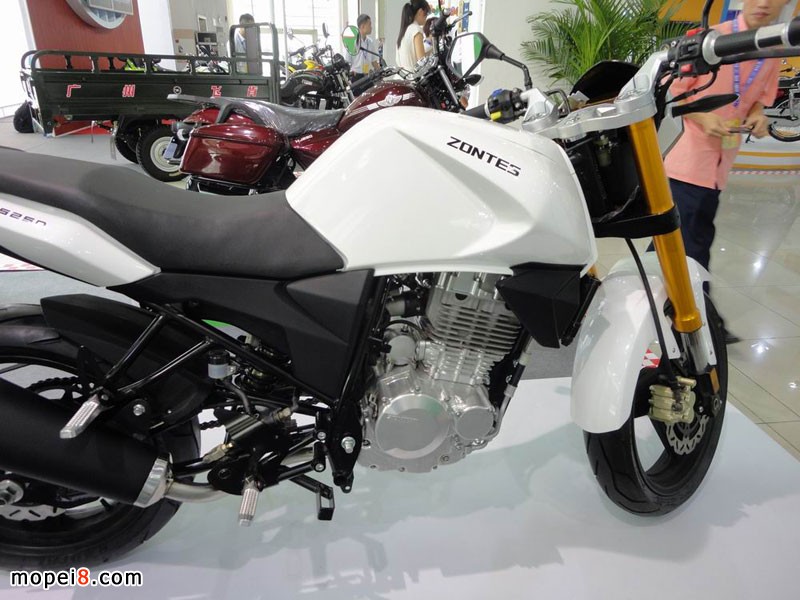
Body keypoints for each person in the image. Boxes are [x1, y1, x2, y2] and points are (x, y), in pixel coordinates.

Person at [659, 0, 789, 342]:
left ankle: (667, 305)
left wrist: (758, 115)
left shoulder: (772, 49)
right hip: (686, 159)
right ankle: (699, 323)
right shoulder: (709, 40)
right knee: (693, 243)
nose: (764, 3)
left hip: (720, 164)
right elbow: (672, 93)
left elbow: (760, 98)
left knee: (678, 239)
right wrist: (703, 117)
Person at [397, 0, 430, 71]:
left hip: (401, 74)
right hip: (412, 75)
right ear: (420, 12)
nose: (426, 17)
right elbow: (422, 61)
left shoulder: (405, 29)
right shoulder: (416, 30)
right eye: (427, 13)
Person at [349, 14, 381, 79]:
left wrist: (380, 72)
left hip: (368, 75)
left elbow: (374, 61)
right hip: (356, 77)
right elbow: (347, 62)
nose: (371, 27)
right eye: (369, 24)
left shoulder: (370, 42)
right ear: (362, 26)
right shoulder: (352, 42)